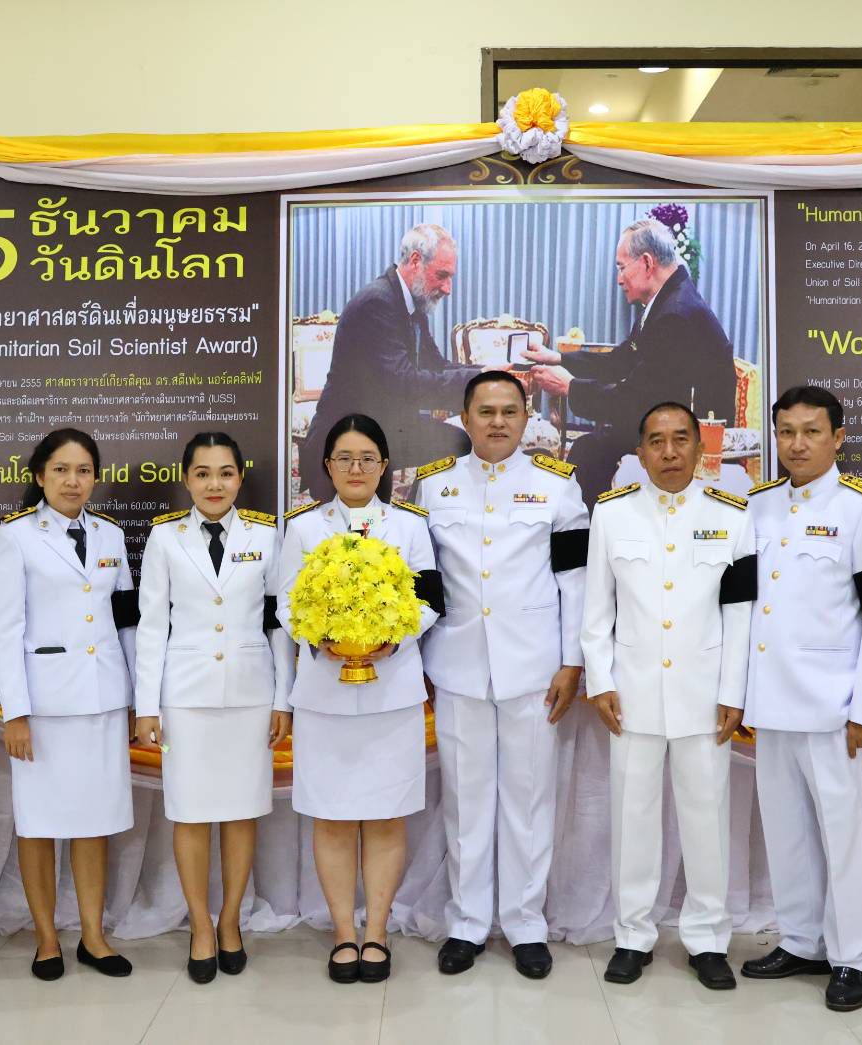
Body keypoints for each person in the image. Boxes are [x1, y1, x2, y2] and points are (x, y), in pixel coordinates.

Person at [740, 386, 862, 1012]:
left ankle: (852, 957)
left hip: (833, 705)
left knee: (843, 835)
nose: (797, 444)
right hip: (771, 700)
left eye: (811, 431)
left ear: (838, 437)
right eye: (786, 431)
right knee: (785, 831)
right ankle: (802, 940)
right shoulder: (758, 505)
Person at [412, 371, 588, 979]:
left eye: (509, 411)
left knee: (529, 799)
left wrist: (572, 660)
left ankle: (525, 924)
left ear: (527, 416)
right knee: (465, 801)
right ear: (464, 418)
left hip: (534, 667)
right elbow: (423, 580)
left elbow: (574, 582)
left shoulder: (557, 487)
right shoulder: (433, 486)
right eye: (485, 411)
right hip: (457, 664)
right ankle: (467, 923)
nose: (497, 422)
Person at [582, 402, 755, 991]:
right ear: (640, 452)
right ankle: (632, 936)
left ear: (700, 449)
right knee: (632, 818)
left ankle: (708, 939)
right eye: (656, 441)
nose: (670, 452)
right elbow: (596, 610)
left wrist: (733, 690)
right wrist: (600, 680)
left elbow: (740, 615)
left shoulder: (731, 515)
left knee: (707, 819)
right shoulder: (612, 514)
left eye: (682, 439)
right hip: (630, 694)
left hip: (704, 695)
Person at [276, 414, 443, 983]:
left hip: (392, 691)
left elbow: (432, 598)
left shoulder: (409, 526)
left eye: (367, 458)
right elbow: (284, 604)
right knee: (333, 816)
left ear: (384, 466)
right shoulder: (303, 528)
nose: (356, 468)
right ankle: (343, 933)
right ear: (327, 466)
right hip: (324, 694)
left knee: (386, 814)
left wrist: (391, 638)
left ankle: (377, 932)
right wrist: (322, 637)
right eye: (344, 458)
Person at [133, 432, 295, 984]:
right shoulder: (165, 538)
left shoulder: (266, 535)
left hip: (250, 694)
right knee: (191, 813)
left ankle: (230, 922)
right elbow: (151, 626)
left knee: (241, 811)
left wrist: (283, 698)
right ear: (187, 479)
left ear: (239, 477)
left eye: (225, 473)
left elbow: (279, 623)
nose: (214, 484)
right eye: (202, 473)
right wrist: (147, 706)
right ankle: (200, 925)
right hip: (186, 697)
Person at [0, 428, 140, 982]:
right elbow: (5, 630)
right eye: (61, 470)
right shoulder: (15, 537)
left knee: (94, 821)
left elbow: (126, 622)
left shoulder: (110, 535)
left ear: (94, 477)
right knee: (39, 823)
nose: (73, 481)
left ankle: (93, 937)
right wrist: (15, 713)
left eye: (83, 470)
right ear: (40, 476)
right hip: (44, 707)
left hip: (102, 700)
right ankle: (47, 939)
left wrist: (136, 698)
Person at [524, 218, 735, 507]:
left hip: (685, 438)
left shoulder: (675, 315)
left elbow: (636, 401)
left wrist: (570, 387)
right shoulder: (667, 301)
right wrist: (558, 357)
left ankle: (584, 531)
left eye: (622, 267)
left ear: (647, 262)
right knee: (590, 447)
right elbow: (620, 361)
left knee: (589, 452)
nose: (619, 279)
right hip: (663, 420)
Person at [300, 224, 492, 501]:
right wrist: (479, 381)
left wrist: (487, 375)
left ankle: (417, 513)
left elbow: (436, 365)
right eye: (442, 275)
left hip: (384, 426)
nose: (448, 289)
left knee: (457, 443)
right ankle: (414, 513)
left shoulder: (412, 304)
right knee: (367, 522)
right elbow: (402, 383)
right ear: (415, 261)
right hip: (346, 436)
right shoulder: (377, 302)